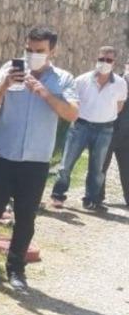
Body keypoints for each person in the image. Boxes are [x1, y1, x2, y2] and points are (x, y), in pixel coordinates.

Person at [0, 27, 79, 292]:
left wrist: (45, 93)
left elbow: (72, 114)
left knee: (26, 217)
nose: (33, 55)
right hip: (3, 153)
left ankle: (16, 269)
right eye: (29, 49)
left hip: (36, 159)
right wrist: (5, 85)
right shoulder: (10, 70)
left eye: (39, 51)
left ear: (52, 51)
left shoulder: (63, 79)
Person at [48, 46, 126, 211]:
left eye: (108, 60)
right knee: (66, 164)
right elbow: (72, 101)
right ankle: (58, 195)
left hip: (105, 129)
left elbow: (119, 106)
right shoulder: (82, 80)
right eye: (102, 59)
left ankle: (91, 199)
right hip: (81, 126)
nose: (104, 63)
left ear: (114, 63)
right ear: (96, 59)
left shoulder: (120, 84)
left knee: (97, 168)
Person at [96, 61, 129, 206]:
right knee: (100, 167)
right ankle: (96, 198)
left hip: (127, 137)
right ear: (126, 65)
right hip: (107, 131)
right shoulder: (113, 82)